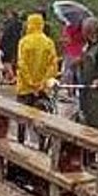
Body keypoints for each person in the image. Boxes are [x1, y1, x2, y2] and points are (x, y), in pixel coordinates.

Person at [15, 13, 59, 148]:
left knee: (21, 118)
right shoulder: (49, 42)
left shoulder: (24, 42)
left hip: (25, 88)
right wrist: (41, 84)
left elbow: (22, 64)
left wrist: (30, 83)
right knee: (41, 119)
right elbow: (53, 66)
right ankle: (41, 146)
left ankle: (20, 142)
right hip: (42, 89)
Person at [0, 9, 23, 84]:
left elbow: (5, 36)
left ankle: (12, 77)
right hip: (15, 45)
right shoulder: (18, 24)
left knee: (6, 62)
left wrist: (1, 45)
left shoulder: (9, 24)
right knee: (10, 61)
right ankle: (6, 77)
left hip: (7, 45)